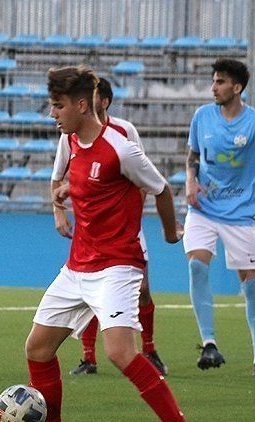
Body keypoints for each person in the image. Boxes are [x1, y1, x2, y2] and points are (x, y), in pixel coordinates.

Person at [4, 66, 214, 422]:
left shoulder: (120, 147)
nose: (52, 113)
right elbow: (78, 182)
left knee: (120, 353)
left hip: (118, 265)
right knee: (37, 349)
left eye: (58, 106)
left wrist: (171, 233)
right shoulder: (70, 141)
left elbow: (161, 189)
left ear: (82, 105)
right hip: (78, 265)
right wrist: (65, 194)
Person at [185, 58, 255, 378]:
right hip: (203, 210)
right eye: (213, 81)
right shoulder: (202, 116)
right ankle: (209, 343)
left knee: (251, 284)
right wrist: (191, 181)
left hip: (240, 215)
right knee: (196, 264)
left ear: (237, 87)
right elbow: (192, 155)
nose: (213, 87)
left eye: (220, 82)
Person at [50, 77, 167, 377]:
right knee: (87, 290)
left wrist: (130, 212)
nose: (54, 113)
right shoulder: (70, 136)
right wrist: (60, 211)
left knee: (143, 289)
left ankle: (150, 349)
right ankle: (88, 357)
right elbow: (60, 176)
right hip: (90, 232)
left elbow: (143, 178)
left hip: (125, 229)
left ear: (101, 102)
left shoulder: (123, 133)